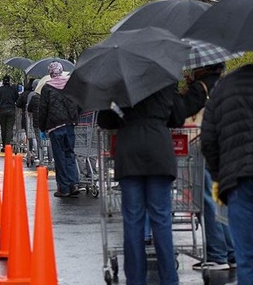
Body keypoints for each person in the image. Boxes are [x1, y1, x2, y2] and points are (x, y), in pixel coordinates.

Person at [97, 84, 185, 285]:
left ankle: (135, 280)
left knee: (133, 221)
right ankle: (169, 279)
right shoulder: (165, 81)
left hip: (130, 154)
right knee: (162, 220)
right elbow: (178, 117)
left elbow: (105, 120)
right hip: (159, 151)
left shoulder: (120, 85)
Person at [179, 63, 235, 271]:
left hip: (200, 144)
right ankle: (231, 251)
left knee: (205, 199)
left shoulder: (199, 88)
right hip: (222, 144)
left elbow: (182, 112)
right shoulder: (225, 85)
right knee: (219, 198)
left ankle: (217, 254)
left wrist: (186, 93)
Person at [201, 64, 253, 284]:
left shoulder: (226, 86)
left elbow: (208, 140)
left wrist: (219, 176)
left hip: (239, 181)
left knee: (247, 259)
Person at [34, 62, 80, 197]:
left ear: (51, 73)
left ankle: (64, 188)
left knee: (59, 156)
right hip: (69, 125)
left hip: (55, 126)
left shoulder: (47, 88)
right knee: (70, 154)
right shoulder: (70, 86)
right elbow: (78, 103)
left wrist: (42, 127)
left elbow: (43, 110)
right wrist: (75, 118)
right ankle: (74, 183)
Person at [0, 75, 18, 150]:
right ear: (9, 81)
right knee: (9, 128)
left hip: (2, 110)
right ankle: (7, 145)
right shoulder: (13, 90)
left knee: (3, 128)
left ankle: (4, 145)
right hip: (11, 110)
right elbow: (17, 99)